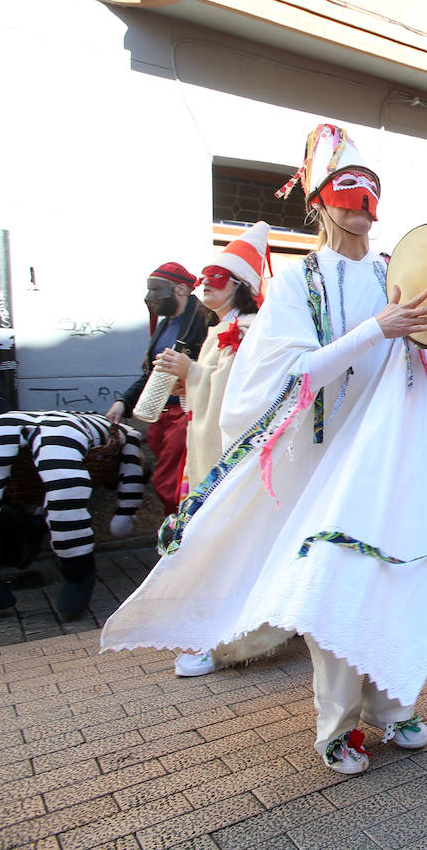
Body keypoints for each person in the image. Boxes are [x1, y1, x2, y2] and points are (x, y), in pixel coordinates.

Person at [102, 123, 427, 775]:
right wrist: (375, 329)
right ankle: (339, 725)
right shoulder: (302, 285)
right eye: (350, 189)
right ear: (320, 201)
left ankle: (395, 703)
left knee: (403, 579)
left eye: (373, 189)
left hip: (395, 464)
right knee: (333, 582)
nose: (364, 201)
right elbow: (280, 380)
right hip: (324, 469)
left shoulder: (403, 272)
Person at [149, 221, 270, 677]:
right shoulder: (221, 331)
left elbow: (242, 394)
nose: (205, 286)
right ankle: (210, 631)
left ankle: (221, 638)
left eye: (216, 278)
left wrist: (194, 375)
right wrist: (188, 377)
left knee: (227, 544)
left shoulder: (250, 331)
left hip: (234, 459)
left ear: (239, 287)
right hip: (209, 455)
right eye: (204, 277)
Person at [0, 411, 144, 617]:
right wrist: (126, 511)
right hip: (67, 429)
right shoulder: (126, 433)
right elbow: (132, 470)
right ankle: (77, 573)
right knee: (65, 489)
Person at [105, 262, 208, 512]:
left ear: (181, 289)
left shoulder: (205, 320)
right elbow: (153, 373)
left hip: (186, 413)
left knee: (171, 482)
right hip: (161, 414)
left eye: (155, 290)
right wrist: (124, 402)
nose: (149, 297)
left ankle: (176, 535)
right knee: (166, 478)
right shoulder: (165, 325)